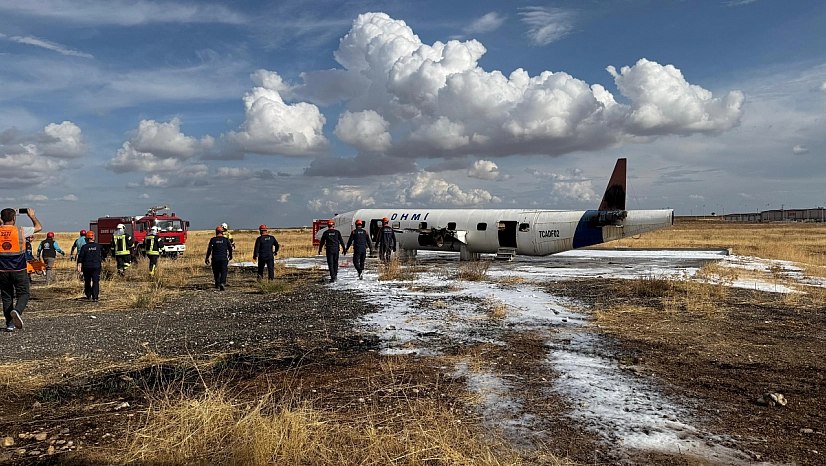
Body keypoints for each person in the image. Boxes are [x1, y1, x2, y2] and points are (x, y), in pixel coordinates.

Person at [0, 207, 42, 332]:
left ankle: (10, 324)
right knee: (24, 293)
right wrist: (32, 216)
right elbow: (38, 227)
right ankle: (17, 311)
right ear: (14, 219)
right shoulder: (20, 230)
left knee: (7, 297)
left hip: (2, 270)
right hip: (19, 269)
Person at [76, 231, 102, 302]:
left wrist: (79, 265)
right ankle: (95, 297)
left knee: (87, 281)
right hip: (96, 266)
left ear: (86, 239)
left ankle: (88, 295)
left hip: (86, 266)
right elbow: (103, 254)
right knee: (95, 281)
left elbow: (80, 257)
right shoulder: (98, 246)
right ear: (93, 237)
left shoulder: (84, 247)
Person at [205, 226, 233, 290]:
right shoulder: (226, 240)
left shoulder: (213, 240)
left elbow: (209, 249)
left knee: (216, 271)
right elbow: (230, 248)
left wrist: (207, 258)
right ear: (222, 232)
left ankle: (217, 283)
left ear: (216, 232)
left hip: (215, 259)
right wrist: (230, 255)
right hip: (223, 259)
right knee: (223, 271)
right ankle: (222, 283)